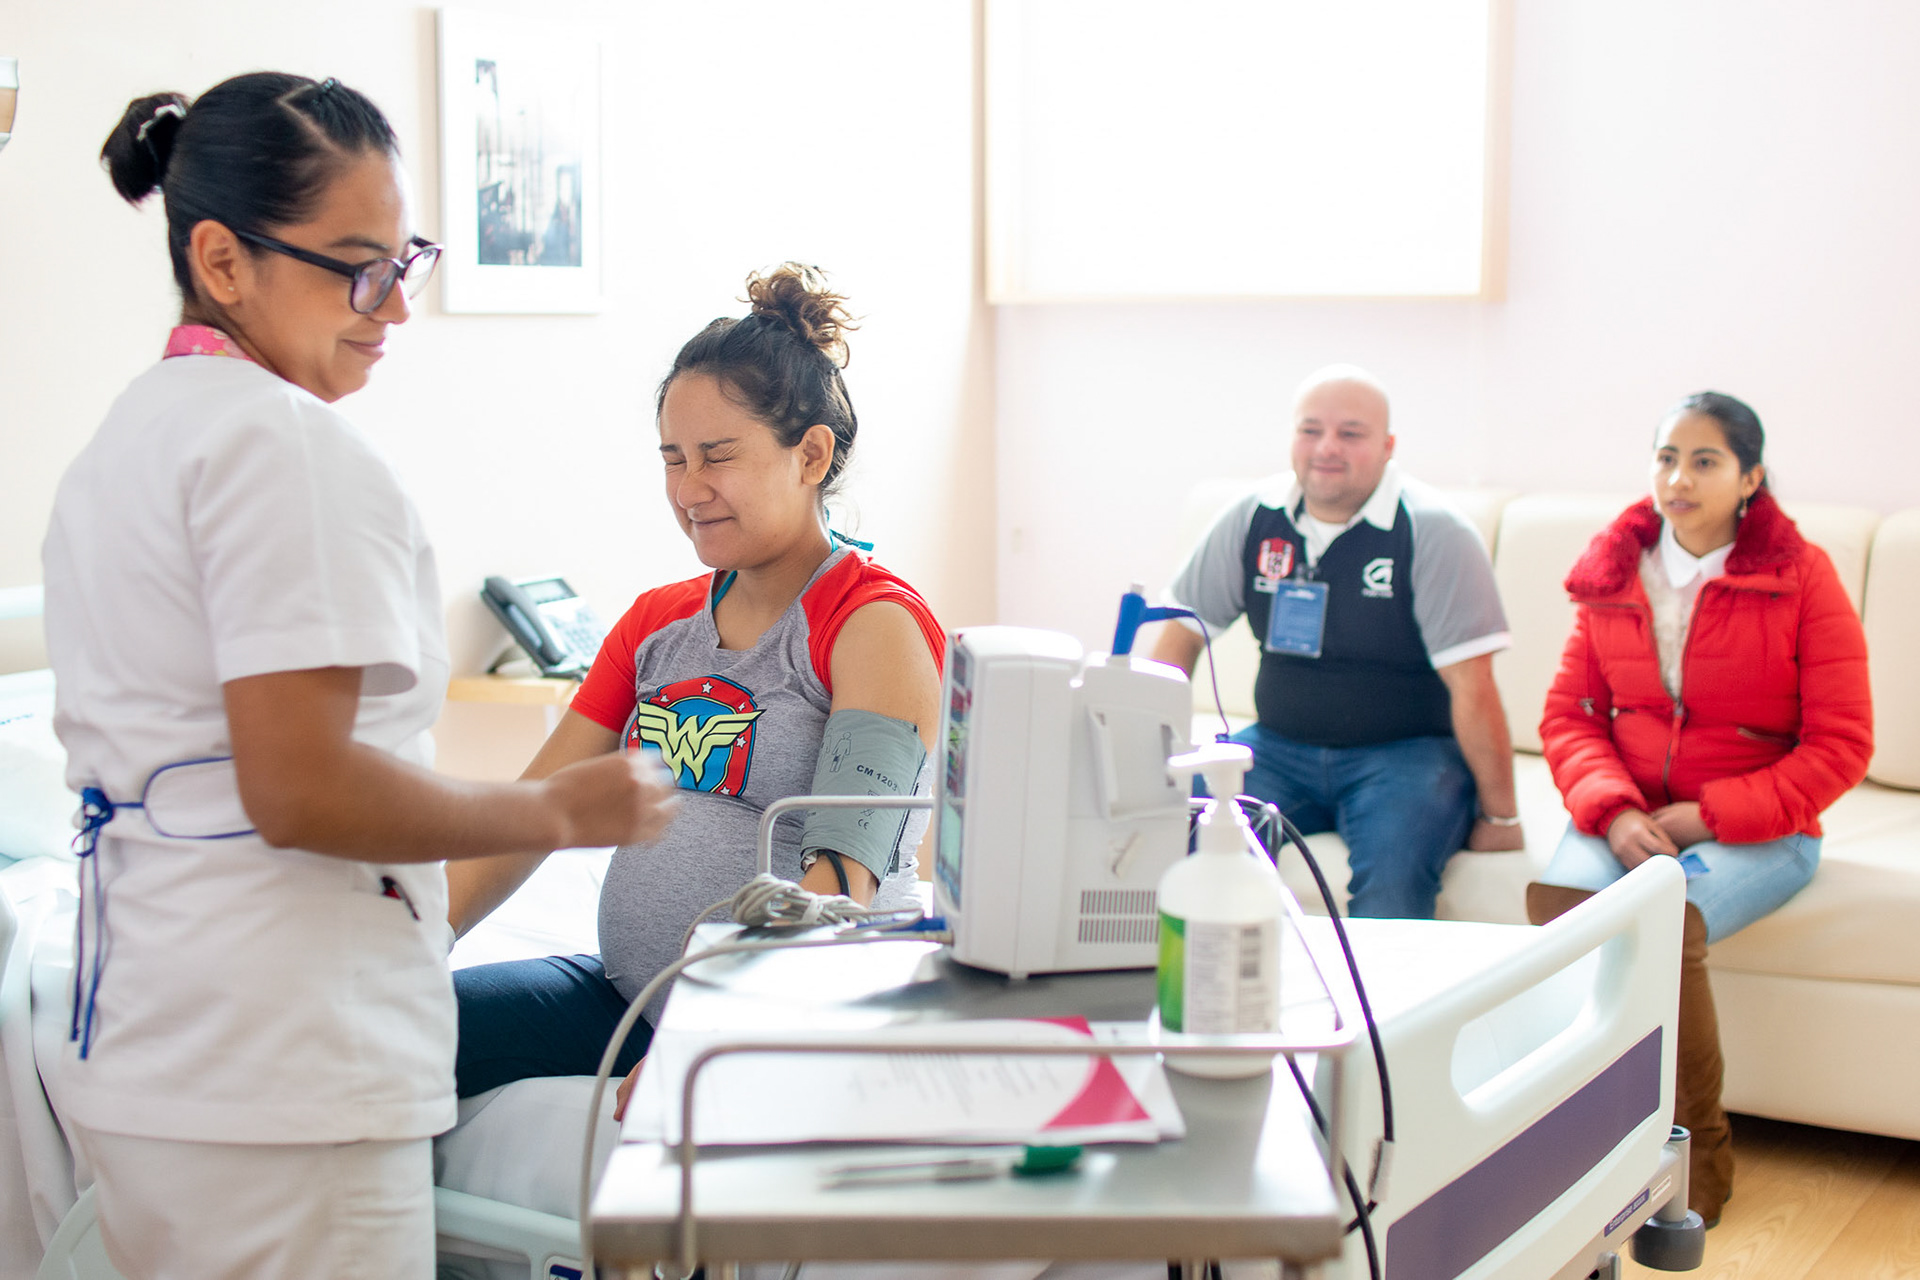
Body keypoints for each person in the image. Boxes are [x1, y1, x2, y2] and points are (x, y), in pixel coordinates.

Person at [42, 75, 676, 1280]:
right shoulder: (284, 445)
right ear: (222, 259)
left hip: (153, 1048)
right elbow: (302, 785)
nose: (394, 307)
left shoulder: (127, 440)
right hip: (284, 1069)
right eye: (356, 269)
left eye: (405, 261)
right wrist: (555, 809)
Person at [446, 264, 945, 1116]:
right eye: (673, 460)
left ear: (811, 455)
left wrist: (714, 1030)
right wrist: (417, 938)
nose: (687, 490)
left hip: (795, 1012)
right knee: (390, 1028)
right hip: (624, 997)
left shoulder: (873, 624)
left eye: (718, 457)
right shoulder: (657, 624)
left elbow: (841, 882)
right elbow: (532, 816)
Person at [1530, 392, 1871, 1225]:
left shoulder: (1801, 575)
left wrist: (1708, 815)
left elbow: (1842, 743)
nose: (1678, 479)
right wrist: (1614, 812)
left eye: (1705, 461)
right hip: (1625, 812)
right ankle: (1573, 1148)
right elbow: (1569, 717)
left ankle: (1695, 1161)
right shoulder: (1615, 568)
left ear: (1750, 477)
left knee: (1663, 918)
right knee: (1565, 906)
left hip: (1761, 826)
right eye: (1666, 458)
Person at [1150, 365, 1523, 919]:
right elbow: (1178, 639)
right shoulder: (1252, 518)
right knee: (1174, 836)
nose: (1327, 447)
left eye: (1351, 433)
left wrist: (1502, 817)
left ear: (1388, 447)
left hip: (1405, 757)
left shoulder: (1434, 531)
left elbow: (1474, 687)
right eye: (1311, 430)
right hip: (1276, 747)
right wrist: (1150, 753)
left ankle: (1381, 985)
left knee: (1392, 889)